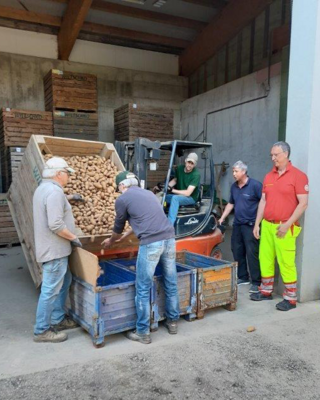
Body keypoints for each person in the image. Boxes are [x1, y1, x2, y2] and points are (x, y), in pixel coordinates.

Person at [102, 171, 180, 344]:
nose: (119, 190)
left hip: (151, 243)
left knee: (143, 287)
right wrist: (124, 237)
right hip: (169, 238)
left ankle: (143, 332)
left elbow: (118, 227)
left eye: (118, 187)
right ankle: (173, 322)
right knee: (171, 281)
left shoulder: (122, 199)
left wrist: (112, 241)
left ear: (122, 185)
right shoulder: (148, 194)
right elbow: (141, 219)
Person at [251, 141, 309, 311]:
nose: (273, 158)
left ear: (286, 154)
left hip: (286, 227)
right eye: (271, 155)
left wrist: (287, 224)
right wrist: (257, 224)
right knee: (265, 258)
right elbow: (263, 200)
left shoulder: (299, 176)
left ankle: (290, 299)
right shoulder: (269, 176)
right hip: (267, 226)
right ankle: (266, 290)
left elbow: (303, 204)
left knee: (286, 262)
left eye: (276, 154)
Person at [33, 157, 83, 343]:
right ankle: (42, 330)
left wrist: (68, 198)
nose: (69, 176)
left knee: (65, 280)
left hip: (54, 249)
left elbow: (52, 202)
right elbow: (55, 224)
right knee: (50, 290)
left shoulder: (43, 189)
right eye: (67, 173)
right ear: (59, 174)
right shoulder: (54, 192)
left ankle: (58, 318)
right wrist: (73, 237)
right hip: (54, 250)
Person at [218, 161, 262, 294]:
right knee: (237, 250)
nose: (233, 174)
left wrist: (258, 224)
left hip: (250, 225)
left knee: (251, 253)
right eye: (233, 171)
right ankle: (243, 277)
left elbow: (263, 203)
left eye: (236, 171)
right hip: (237, 224)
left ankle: (256, 281)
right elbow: (231, 203)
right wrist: (222, 217)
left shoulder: (255, 185)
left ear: (243, 172)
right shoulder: (234, 187)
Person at [165, 152, 201, 225]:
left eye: (192, 163)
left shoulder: (196, 174)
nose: (189, 165)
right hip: (180, 195)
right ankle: (159, 220)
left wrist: (172, 190)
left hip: (190, 198)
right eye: (188, 162)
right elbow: (175, 180)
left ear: (194, 165)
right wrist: (165, 187)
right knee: (163, 197)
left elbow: (188, 193)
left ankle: (169, 226)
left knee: (175, 198)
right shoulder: (179, 168)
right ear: (185, 161)